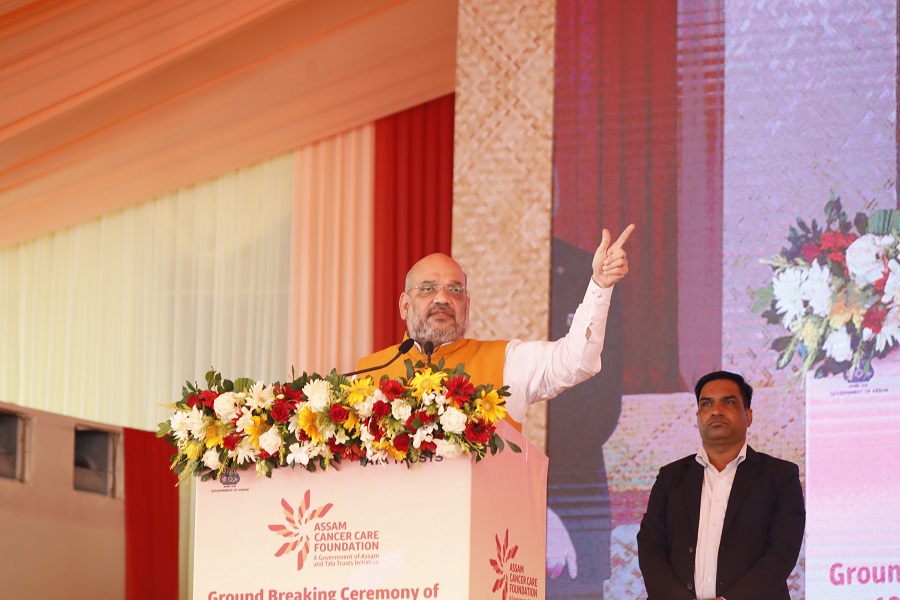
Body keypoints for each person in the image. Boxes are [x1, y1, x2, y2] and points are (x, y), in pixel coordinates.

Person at [355, 225, 634, 576]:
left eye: (454, 290)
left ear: (466, 306)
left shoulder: (506, 361)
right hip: (392, 564)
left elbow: (574, 360)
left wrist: (599, 287)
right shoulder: (368, 374)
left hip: (484, 563)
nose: (442, 298)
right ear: (404, 304)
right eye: (428, 289)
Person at [636, 371, 805, 600]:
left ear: (748, 415)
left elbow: (782, 553)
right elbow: (650, 547)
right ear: (698, 416)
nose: (716, 410)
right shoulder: (670, 477)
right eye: (707, 403)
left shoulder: (779, 476)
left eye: (728, 402)